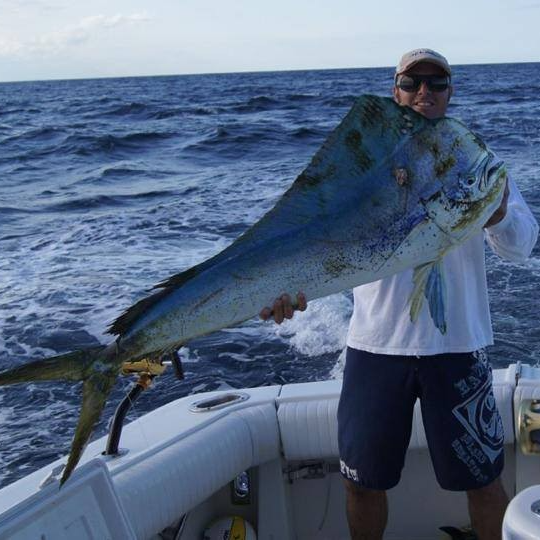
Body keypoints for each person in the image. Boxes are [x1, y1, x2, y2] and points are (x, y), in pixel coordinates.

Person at [260, 48, 539, 540]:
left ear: (451, 94)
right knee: (362, 484)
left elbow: (523, 244)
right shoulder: (363, 165)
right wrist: (283, 291)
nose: (424, 94)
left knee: (483, 480)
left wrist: (496, 216)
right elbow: (313, 234)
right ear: (396, 91)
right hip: (374, 348)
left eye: (437, 84)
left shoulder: (476, 161)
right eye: (413, 83)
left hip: (456, 349)